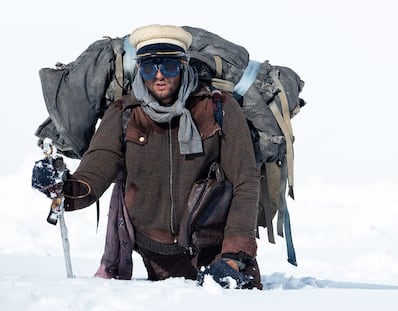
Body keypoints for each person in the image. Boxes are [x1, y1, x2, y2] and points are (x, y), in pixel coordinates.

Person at [34, 24, 262, 289]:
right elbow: (94, 172)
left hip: (218, 253)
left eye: (168, 66)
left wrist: (234, 255)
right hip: (158, 258)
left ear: (183, 65)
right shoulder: (123, 114)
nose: (159, 76)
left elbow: (245, 182)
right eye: (149, 66)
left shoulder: (219, 108)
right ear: (140, 68)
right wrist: (60, 187)